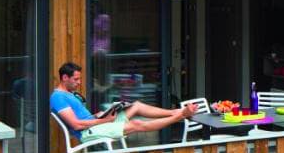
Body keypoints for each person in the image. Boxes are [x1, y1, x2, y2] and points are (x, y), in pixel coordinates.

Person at [49, 61, 195, 144]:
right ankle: (179, 116)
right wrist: (104, 120)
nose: (79, 82)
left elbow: (82, 117)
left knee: (136, 105)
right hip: (87, 132)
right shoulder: (58, 97)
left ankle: (174, 112)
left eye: (79, 79)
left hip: (96, 123)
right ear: (64, 78)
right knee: (137, 124)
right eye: (76, 79)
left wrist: (98, 115)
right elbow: (76, 125)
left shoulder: (69, 94)